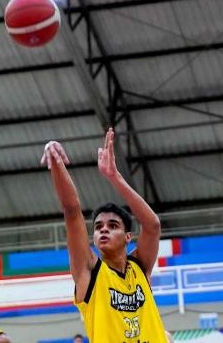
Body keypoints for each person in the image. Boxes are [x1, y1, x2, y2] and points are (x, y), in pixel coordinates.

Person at [41, 128, 167, 342]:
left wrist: (114, 176)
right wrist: (55, 160)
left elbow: (152, 225)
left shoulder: (140, 266)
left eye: (112, 225)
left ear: (128, 237)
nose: (103, 230)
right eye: (98, 227)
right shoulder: (89, 271)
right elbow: (72, 211)